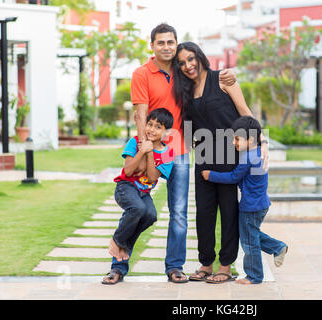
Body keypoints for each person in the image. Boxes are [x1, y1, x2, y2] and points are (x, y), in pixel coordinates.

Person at [131, 23, 236, 283]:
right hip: (152, 151)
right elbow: (141, 114)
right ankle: (119, 263)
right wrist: (145, 149)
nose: (166, 47)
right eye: (161, 42)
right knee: (135, 206)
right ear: (152, 45)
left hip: (180, 152)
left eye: (171, 42)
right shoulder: (141, 73)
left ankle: (174, 266)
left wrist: (228, 76)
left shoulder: (183, 74)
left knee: (179, 211)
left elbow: (207, 81)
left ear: (176, 44)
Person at [172, 42, 269, 284]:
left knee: (228, 212)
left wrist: (262, 141)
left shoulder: (223, 79)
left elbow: (245, 112)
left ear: (200, 57)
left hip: (230, 153)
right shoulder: (184, 90)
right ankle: (206, 263)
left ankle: (225, 266)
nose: (188, 65)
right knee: (203, 212)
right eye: (182, 62)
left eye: (191, 59)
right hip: (203, 155)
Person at [201, 116, 288, 285]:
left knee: (249, 241)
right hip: (260, 203)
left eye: (237, 139)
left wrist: (210, 174)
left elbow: (234, 177)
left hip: (251, 206)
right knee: (250, 235)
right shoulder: (258, 153)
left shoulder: (248, 157)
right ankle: (277, 247)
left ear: (250, 139)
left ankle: (254, 276)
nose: (234, 143)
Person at [102, 108, 175, 285]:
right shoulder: (135, 142)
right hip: (125, 187)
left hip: (143, 192)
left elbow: (151, 177)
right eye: (149, 124)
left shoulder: (168, 153)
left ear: (166, 133)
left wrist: (150, 152)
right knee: (138, 209)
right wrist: (142, 150)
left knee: (150, 215)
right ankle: (117, 245)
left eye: (158, 127)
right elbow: (128, 170)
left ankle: (123, 246)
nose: (151, 129)